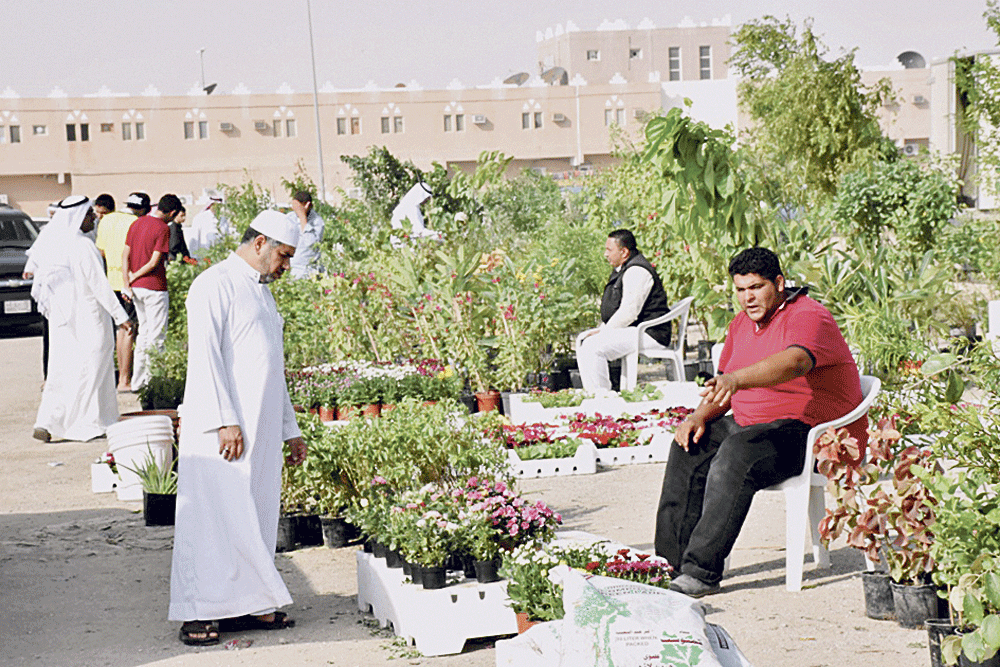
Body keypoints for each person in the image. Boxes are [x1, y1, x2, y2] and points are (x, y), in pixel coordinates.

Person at [655, 247, 865, 598]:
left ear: (779, 283)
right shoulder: (741, 324)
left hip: (810, 433)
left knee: (738, 452)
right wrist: (697, 417)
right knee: (689, 445)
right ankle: (668, 567)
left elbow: (795, 362)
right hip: (753, 427)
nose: (747, 297)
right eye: (740, 289)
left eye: (756, 287)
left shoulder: (808, 315)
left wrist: (736, 380)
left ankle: (701, 571)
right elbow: (722, 389)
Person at [168, 210, 308, 646]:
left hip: (260, 428)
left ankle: (250, 603)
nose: (285, 267)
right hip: (222, 428)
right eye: (283, 256)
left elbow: (272, 366)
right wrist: (225, 420)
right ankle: (199, 611)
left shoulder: (262, 291)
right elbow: (204, 359)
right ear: (261, 242)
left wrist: (290, 428)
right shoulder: (214, 283)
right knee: (212, 516)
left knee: (256, 513)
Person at [24, 195, 132, 442]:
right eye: (89, 216)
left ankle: (48, 421)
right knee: (92, 369)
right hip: (89, 317)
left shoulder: (52, 244)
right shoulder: (82, 246)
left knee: (61, 371)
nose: (93, 220)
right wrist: (120, 316)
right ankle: (90, 423)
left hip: (62, 322)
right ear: (78, 218)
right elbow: (98, 285)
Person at [576, 229, 672, 391]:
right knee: (584, 341)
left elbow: (629, 311)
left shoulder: (637, 271)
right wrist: (602, 329)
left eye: (609, 250)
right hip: (636, 331)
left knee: (593, 347)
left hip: (651, 333)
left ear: (624, 252)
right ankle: (594, 395)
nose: (605, 254)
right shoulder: (626, 269)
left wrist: (604, 331)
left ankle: (602, 398)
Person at [123, 193, 181, 391]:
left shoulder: (137, 224)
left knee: (144, 334)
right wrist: (135, 276)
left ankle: (138, 381)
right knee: (157, 336)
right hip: (154, 286)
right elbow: (155, 261)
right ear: (172, 212)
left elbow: (125, 255)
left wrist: (128, 281)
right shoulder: (163, 228)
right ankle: (152, 381)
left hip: (136, 288)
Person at [93, 193, 139, 392]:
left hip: (111, 281)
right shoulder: (135, 221)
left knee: (120, 329)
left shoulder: (105, 222)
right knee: (130, 330)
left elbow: (101, 251)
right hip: (129, 280)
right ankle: (125, 380)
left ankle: (121, 377)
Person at [285, 191, 325, 278]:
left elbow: (310, 243)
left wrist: (302, 217)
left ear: (307, 205)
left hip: (309, 271)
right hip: (291, 269)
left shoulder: (317, 221)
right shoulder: (290, 217)